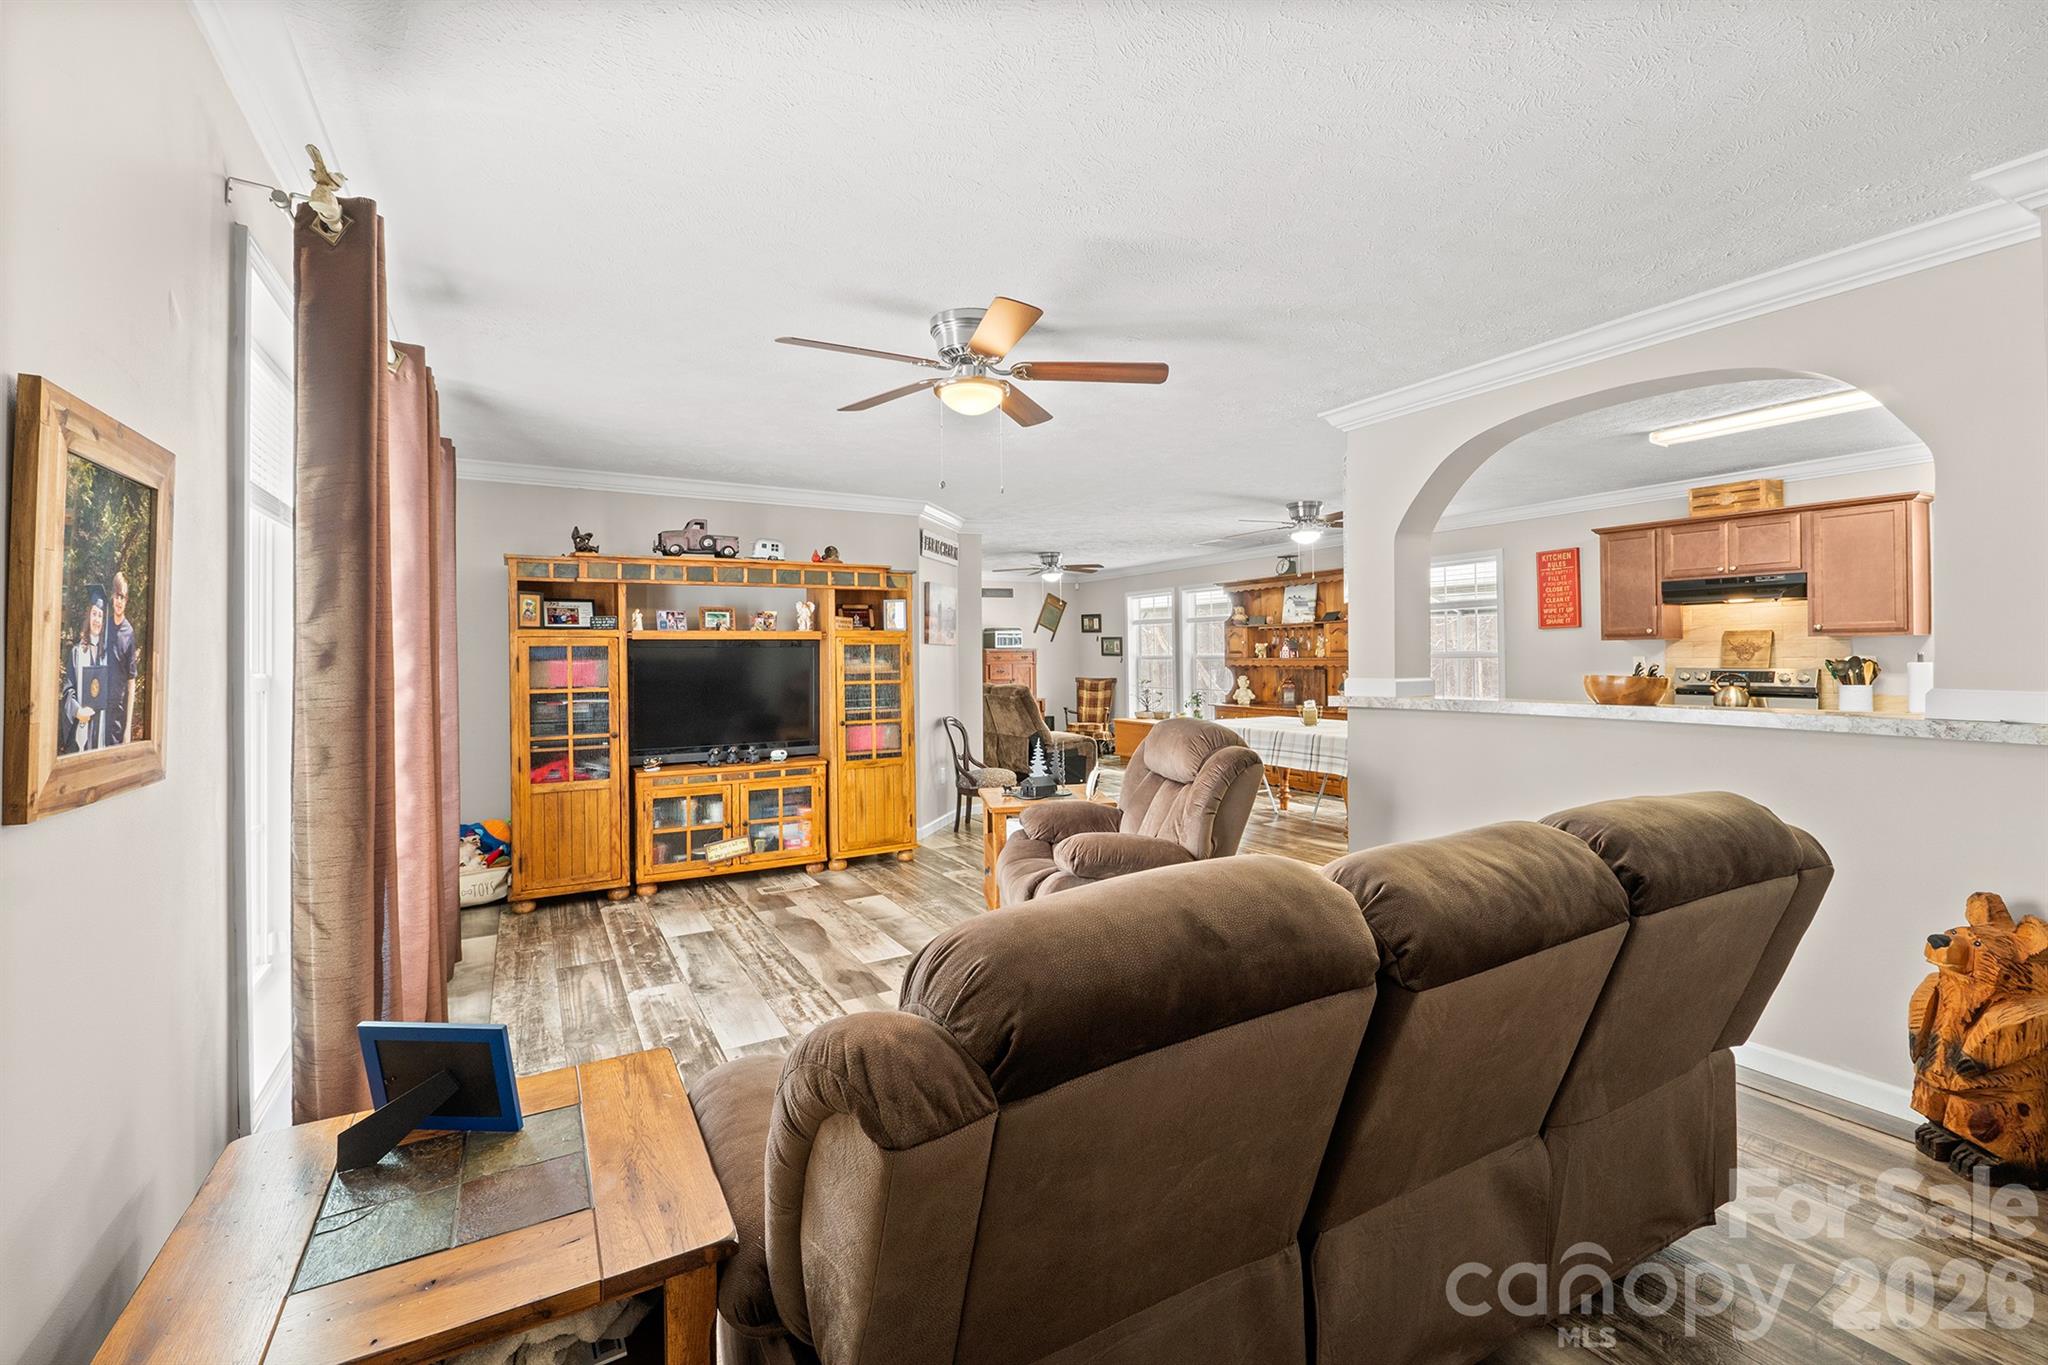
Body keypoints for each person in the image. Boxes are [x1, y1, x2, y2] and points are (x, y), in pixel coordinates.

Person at [59, 584, 111, 755]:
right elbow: (68, 690)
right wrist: (77, 711)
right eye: (94, 614)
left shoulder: (106, 655)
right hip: (81, 724)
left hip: (100, 729)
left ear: (104, 621)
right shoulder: (77, 652)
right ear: (88, 616)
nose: (97, 620)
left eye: (100, 616)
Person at [105, 571, 140, 745]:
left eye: (123, 597)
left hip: (118, 717)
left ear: (126, 601)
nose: (119, 601)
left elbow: (131, 682)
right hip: (100, 710)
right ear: (112, 597)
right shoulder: (105, 627)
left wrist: (128, 729)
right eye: (117, 596)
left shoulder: (129, 634)